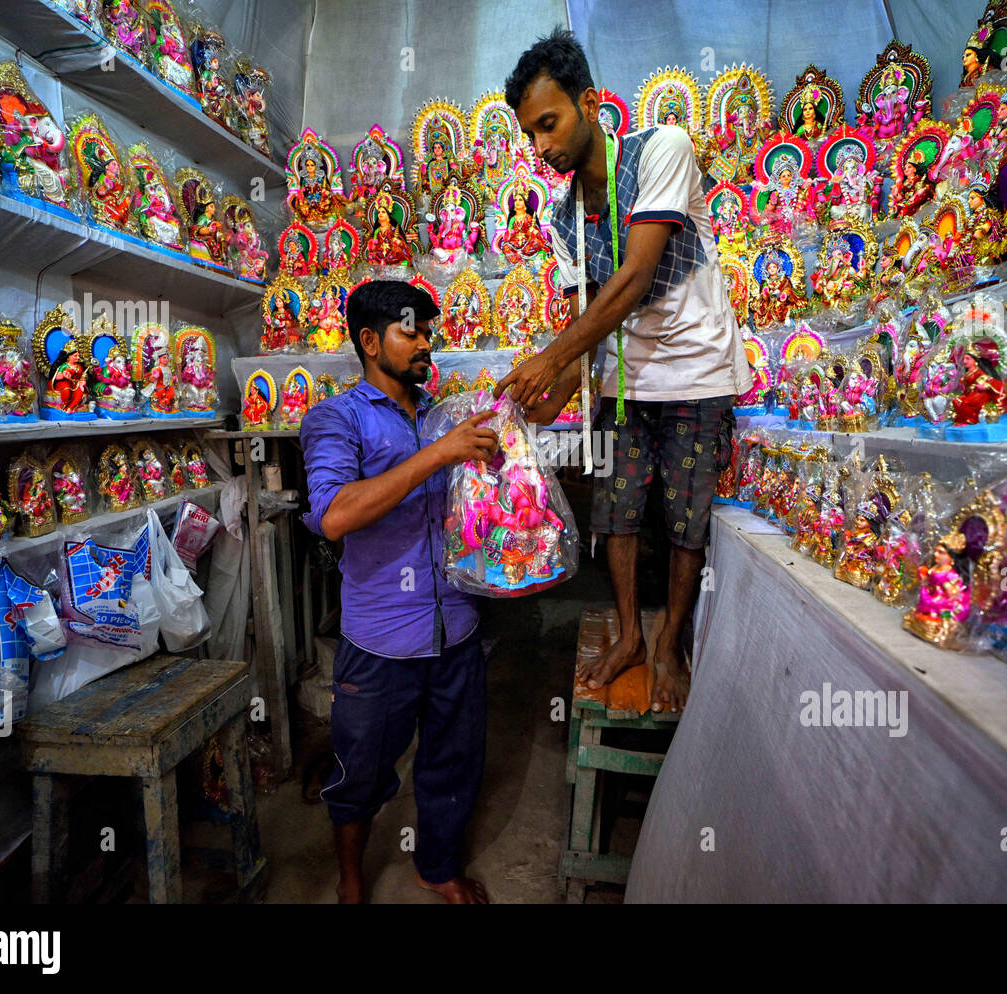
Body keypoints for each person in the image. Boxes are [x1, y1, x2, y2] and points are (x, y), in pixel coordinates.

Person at [499, 29, 752, 712]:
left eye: (549, 124)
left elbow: (637, 274)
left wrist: (550, 356)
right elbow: (586, 317)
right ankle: (629, 636)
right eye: (531, 135)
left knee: (685, 517)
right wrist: (547, 397)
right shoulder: (561, 217)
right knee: (614, 513)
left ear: (588, 102)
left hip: (695, 370)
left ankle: (669, 641)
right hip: (622, 385)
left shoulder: (661, 149)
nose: (542, 146)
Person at [299, 280, 500, 904]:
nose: (424, 344)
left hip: (457, 627)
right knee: (360, 770)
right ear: (368, 341)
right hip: (381, 636)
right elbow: (334, 513)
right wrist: (439, 454)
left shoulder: (442, 412)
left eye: (426, 333)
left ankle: (435, 867)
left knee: (452, 761)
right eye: (410, 331)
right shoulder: (335, 417)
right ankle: (351, 880)